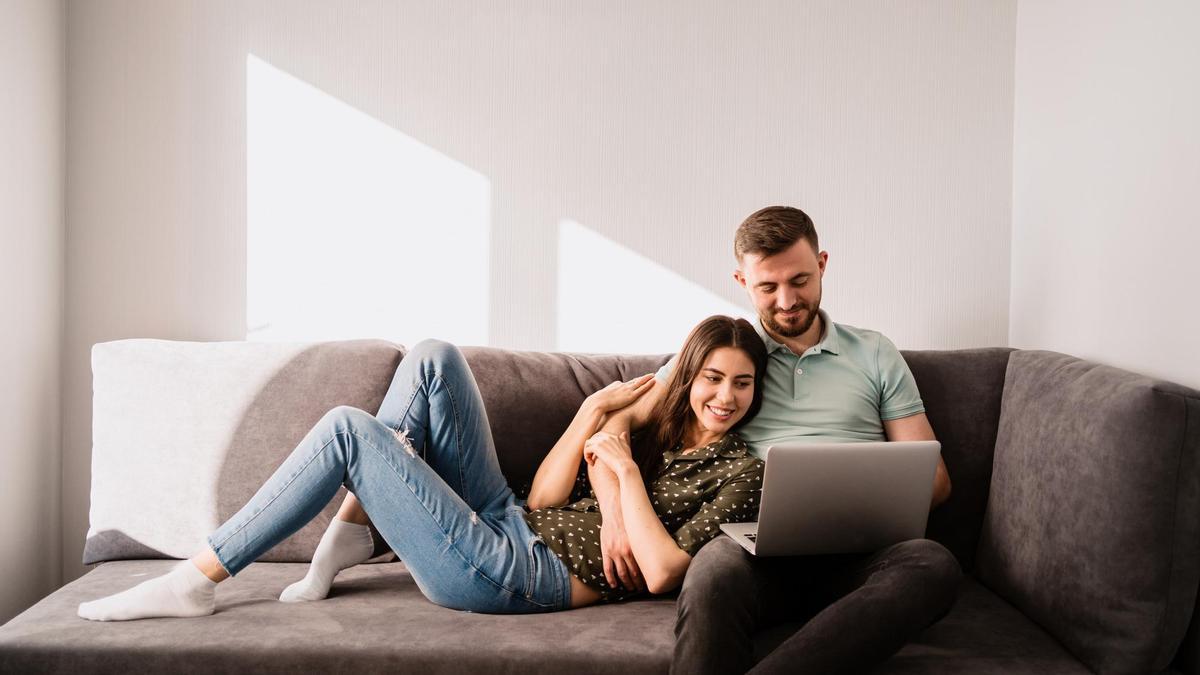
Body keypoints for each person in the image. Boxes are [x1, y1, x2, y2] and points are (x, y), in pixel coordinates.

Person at [77, 315, 768, 620]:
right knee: (435, 356)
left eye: (742, 384)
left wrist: (621, 477)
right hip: (512, 518)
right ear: (689, 373)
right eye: (712, 377)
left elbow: (663, 572)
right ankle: (353, 529)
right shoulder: (654, 420)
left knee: (350, 430)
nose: (724, 397)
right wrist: (592, 414)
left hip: (516, 575)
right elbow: (547, 493)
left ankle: (196, 578)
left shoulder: (739, 469)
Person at [587, 206, 961, 674]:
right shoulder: (726, 356)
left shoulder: (875, 353)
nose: (786, 300)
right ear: (742, 283)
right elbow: (613, 430)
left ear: (822, 264)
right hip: (753, 550)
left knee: (933, 565)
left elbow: (937, 480)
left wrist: (856, 499)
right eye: (768, 287)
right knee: (711, 574)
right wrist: (614, 518)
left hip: (862, 552)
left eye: (800, 280)